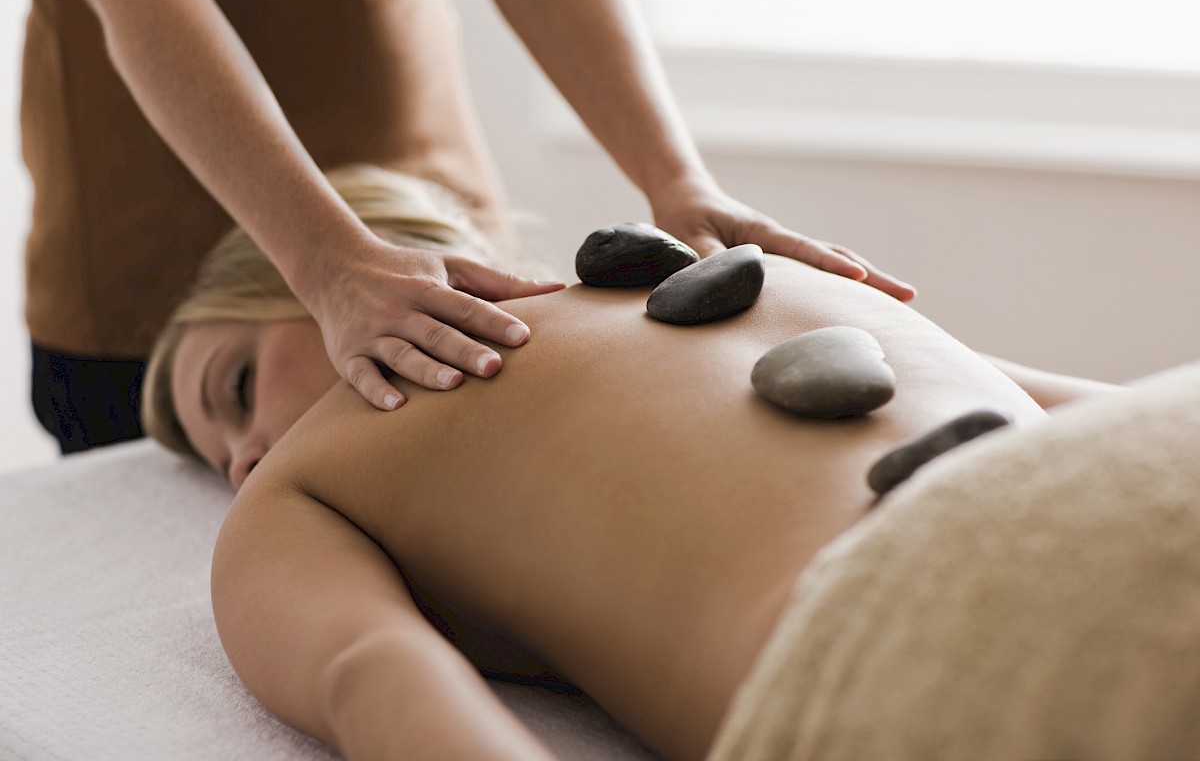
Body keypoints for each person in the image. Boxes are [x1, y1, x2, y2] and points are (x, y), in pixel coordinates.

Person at [141, 165, 1114, 761]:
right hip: (1105, 521)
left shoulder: (310, 475)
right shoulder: (764, 279)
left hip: (895, 656)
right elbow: (1110, 415)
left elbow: (379, 684)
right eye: (224, 458)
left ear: (309, 272)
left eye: (230, 394)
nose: (245, 462)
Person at [22, 0, 915, 455]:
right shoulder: (232, 400)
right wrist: (322, 259)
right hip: (156, 243)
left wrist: (677, 182)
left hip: (422, 215)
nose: (245, 467)